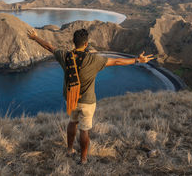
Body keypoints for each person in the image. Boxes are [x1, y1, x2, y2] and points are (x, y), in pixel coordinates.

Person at [27, 28, 155, 164]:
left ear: (73, 42)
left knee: (72, 122)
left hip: (71, 99)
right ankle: (83, 159)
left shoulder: (65, 56)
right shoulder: (94, 60)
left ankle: (70, 149)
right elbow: (117, 62)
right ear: (86, 44)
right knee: (84, 130)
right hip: (87, 102)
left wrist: (35, 37)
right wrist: (137, 60)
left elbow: (50, 47)